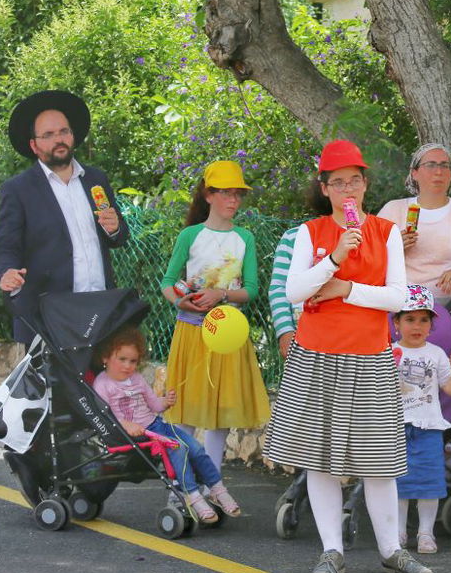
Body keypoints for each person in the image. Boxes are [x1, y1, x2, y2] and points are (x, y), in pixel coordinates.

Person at [263, 139, 432, 573]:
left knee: (378, 459)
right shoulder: (309, 233)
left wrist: (346, 290)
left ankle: (392, 551)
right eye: (337, 183)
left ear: (365, 183)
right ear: (324, 188)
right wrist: (334, 258)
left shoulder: (386, 232)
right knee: (318, 458)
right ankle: (332, 552)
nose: (347, 190)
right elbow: (292, 291)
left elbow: (398, 296)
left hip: (371, 355)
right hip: (316, 355)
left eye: (354, 181)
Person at [158, 160, 271, 472]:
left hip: (228, 336)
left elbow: (250, 290)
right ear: (208, 196)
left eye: (237, 194)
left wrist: (221, 294)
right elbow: (168, 284)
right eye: (225, 193)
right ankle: (182, 486)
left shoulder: (244, 238)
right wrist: (181, 303)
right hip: (192, 332)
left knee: (222, 415)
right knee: (186, 413)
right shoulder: (190, 235)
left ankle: (213, 481)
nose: (233, 200)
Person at [0, 90, 127, 346]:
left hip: (100, 308)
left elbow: (119, 237)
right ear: (34, 145)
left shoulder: (95, 179)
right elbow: (5, 245)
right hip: (48, 314)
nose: (59, 140)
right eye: (48, 135)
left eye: (64, 131)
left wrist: (115, 228)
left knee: (97, 386)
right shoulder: (18, 189)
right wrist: (6, 272)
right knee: (51, 386)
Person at [91, 326, 240, 522]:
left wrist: (166, 402)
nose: (128, 366)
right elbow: (103, 416)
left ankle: (217, 489)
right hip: (134, 434)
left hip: (156, 426)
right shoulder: (102, 384)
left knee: (196, 448)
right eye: (122, 359)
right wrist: (125, 424)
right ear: (105, 358)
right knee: (178, 449)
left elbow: (153, 404)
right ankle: (192, 496)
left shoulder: (136, 378)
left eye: (133, 361)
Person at [377, 143, 451, 341]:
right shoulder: (393, 210)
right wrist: (394, 249)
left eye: (445, 165)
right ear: (415, 173)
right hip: (405, 314)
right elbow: (371, 263)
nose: (439, 171)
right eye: (431, 165)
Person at [392, 285, 451, 554]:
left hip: (430, 428)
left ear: (431, 325)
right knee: (398, 484)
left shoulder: (435, 354)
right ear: (397, 322)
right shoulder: (389, 352)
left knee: (429, 484)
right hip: (397, 428)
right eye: (409, 319)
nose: (417, 325)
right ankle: (398, 533)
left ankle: (425, 533)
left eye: (424, 319)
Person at [268, 223, 302, 358]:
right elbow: (279, 287)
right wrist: (285, 331)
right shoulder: (293, 236)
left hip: (356, 338)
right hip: (302, 338)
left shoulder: (364, 234)